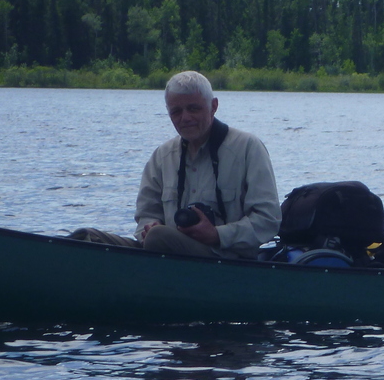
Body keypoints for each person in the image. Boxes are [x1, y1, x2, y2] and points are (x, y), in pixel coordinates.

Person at [70, 71, 280, 259]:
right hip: (165, 253)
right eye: (176, 111)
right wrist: (148, 228)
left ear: (213, 106)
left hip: (224, 259)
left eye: (193, 108)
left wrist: (217, 234)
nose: (185, 118)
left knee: (159, 236)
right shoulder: (162, 156)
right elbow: (147, 214)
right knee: (84, 237)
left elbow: (268, 220)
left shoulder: (247, 148)